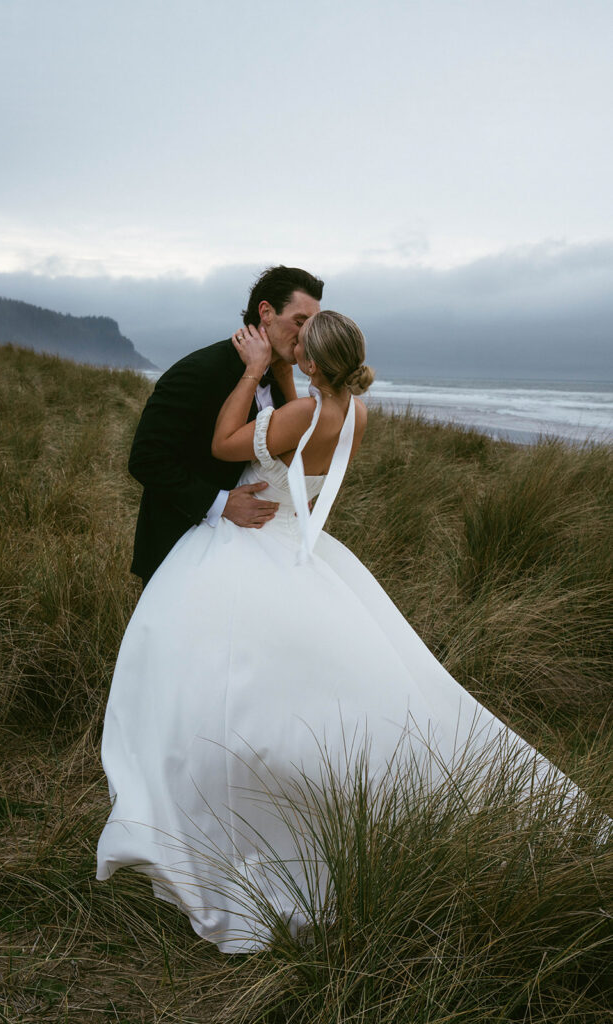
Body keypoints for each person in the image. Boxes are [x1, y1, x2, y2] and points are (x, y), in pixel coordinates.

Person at [97, 311, 583, 954]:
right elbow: (295, 441)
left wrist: (249, 374)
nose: (291, 349)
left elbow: (223, 444)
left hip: (255, 543)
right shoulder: (351, 411)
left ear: (312, 365)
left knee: (226, 677)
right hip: (302, 541)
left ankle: (221, 809)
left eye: (302, 346)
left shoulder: (298, 414)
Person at [127, 264, 323, 586]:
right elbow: (146, 459)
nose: (306, 334)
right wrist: (221, 502)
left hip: (248, 559)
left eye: (312, 325)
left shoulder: (279, 381)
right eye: (299, 322)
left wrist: (292, 493)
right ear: (266, 313)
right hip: (179, 550)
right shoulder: (198, 371)